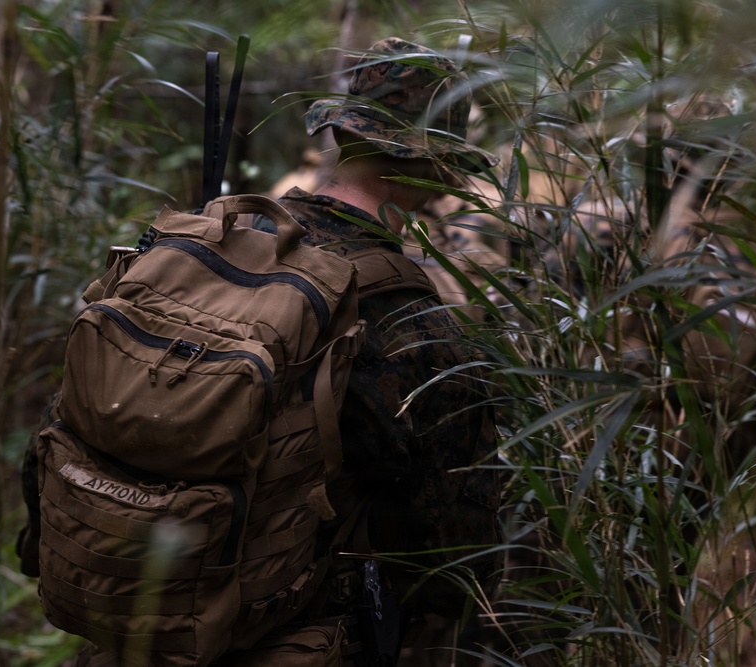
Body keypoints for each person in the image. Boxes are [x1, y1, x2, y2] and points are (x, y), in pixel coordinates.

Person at [239, 37, 504, 666]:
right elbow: (457, 559)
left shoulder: (218, 241)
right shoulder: (405, 315)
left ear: (341, 136)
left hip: (134, 590)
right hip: (294, 633)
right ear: (437, 165)